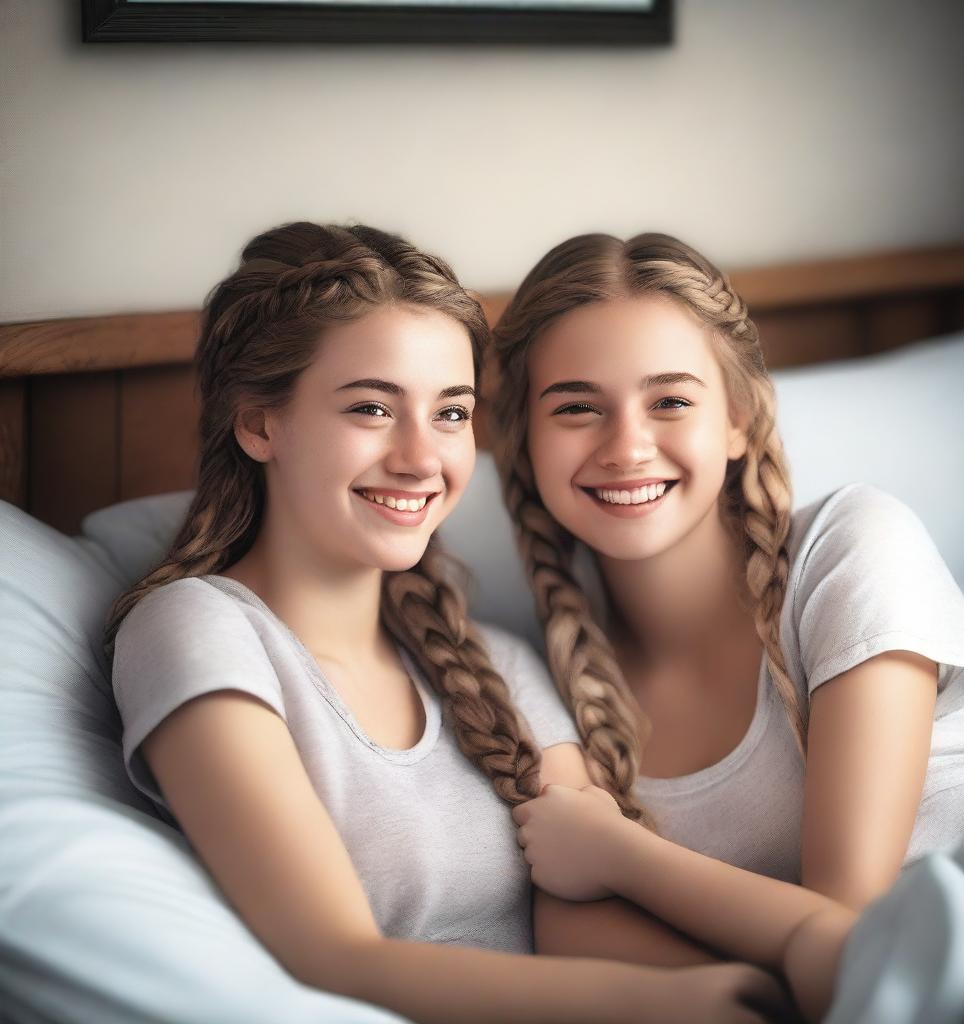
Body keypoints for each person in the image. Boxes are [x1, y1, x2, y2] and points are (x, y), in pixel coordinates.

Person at [104, 222, 795, 1024]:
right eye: (371, 407)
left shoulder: (495, 659)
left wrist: (771, 990)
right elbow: (333, 958)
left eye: (452, 413)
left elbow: (583, 912)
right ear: (260, 424)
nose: (420, 458)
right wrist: (669, 1002)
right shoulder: (199, 630)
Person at [489, 231, 964, 1013]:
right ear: (524, 441)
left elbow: (850, 924)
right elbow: (577, 937)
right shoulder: (554, 692)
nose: (627, 447)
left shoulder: (850, 546)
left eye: (670, 401)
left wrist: (618, 854)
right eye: (576, 408)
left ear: (737, 419)